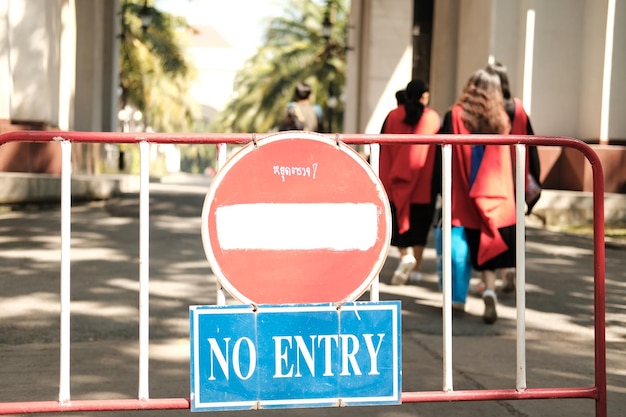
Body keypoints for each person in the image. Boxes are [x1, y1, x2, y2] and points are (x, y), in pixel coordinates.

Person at [438, 68, 516, 324]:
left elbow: (442, 152)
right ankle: (490, 289)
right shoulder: (501, 118)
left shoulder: (456, 115)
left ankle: (457, 298)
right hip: (493, 192)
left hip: (462, 191)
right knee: (489, 241)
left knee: (459, 248)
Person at [486, 61, 542, 294]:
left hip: (494, 172)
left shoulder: (487, 108)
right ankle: (510, 269)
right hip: (517, 172)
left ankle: (491, 278)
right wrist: (536, 177)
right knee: (516, 223)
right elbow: (533, 144)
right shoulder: (518, 107)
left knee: (493, 223)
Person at [379, 80, 440, 285]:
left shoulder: (393, 115)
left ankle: (405, 257)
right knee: (420, 227)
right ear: (424, 96)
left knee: (398, 223)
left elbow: (381, 145)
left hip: (395, 181)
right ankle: (417, 268)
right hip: (424, 183)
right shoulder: (432, 117)